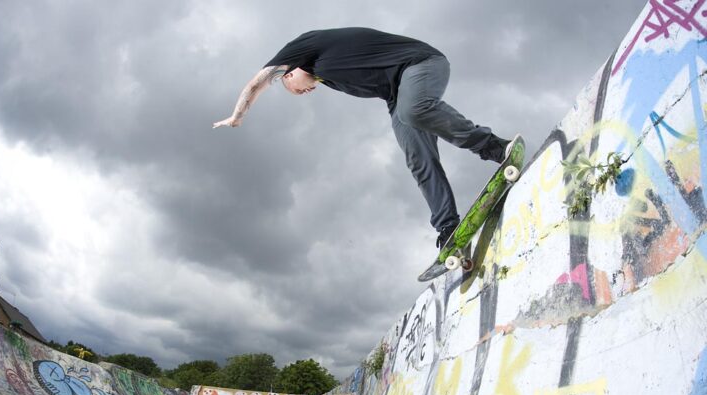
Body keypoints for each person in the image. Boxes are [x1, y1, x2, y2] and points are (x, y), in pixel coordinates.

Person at [214, 27, 520, 249]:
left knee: (414, 110)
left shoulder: (301, 49)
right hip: (396, 95)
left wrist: (238, 114)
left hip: (421, 64)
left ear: (289, 74)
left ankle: (495, 147)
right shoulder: (326, 75)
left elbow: (258, 82)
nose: (307, 92)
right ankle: (448, 227)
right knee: (417, 157)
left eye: (296, 89)